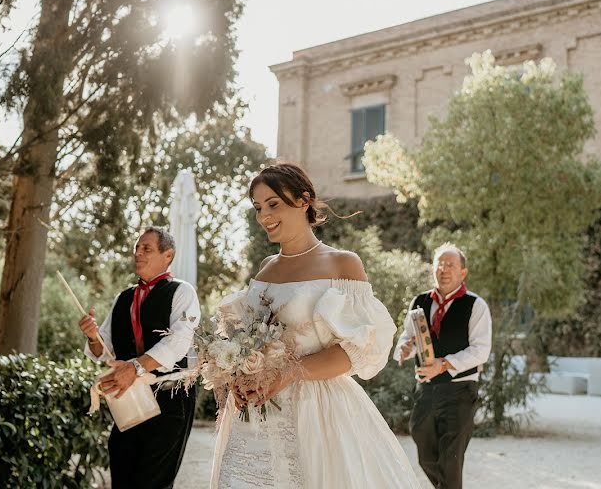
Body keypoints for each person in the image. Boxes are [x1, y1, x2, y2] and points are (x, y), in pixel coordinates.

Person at [209, 162, 422, 488]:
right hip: (252, 416)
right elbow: (245, 336)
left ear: (304, 200)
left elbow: (354, 350)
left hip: (315, 412)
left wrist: (287, 374)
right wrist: (239, 375)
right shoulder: (265, 268)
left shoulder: (342, 263)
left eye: (273, 204)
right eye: (257, 207)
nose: (264, 215)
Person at [79, 226, 200, 489]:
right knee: (122, 473)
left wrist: (135, 367)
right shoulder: (123, 298)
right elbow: (103, 350)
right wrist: (91, 336)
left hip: (170, 398)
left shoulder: (182, 292)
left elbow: (178, 342)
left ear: (168, 255)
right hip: (128, 398)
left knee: (152, 482)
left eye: (146, 248)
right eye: (137, 248)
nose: (138, 253)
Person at [394, 243, 492, 489]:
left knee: (451, 458)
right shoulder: (419, 301)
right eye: (440, 264)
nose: (444, 269)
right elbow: (408, 337)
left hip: (460, 390)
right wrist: (405, 349)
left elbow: (481, 351)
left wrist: (445, 364)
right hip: (426, 388)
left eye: (451, 265)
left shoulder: (476, 305)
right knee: (424, 451)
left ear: (463, 272)